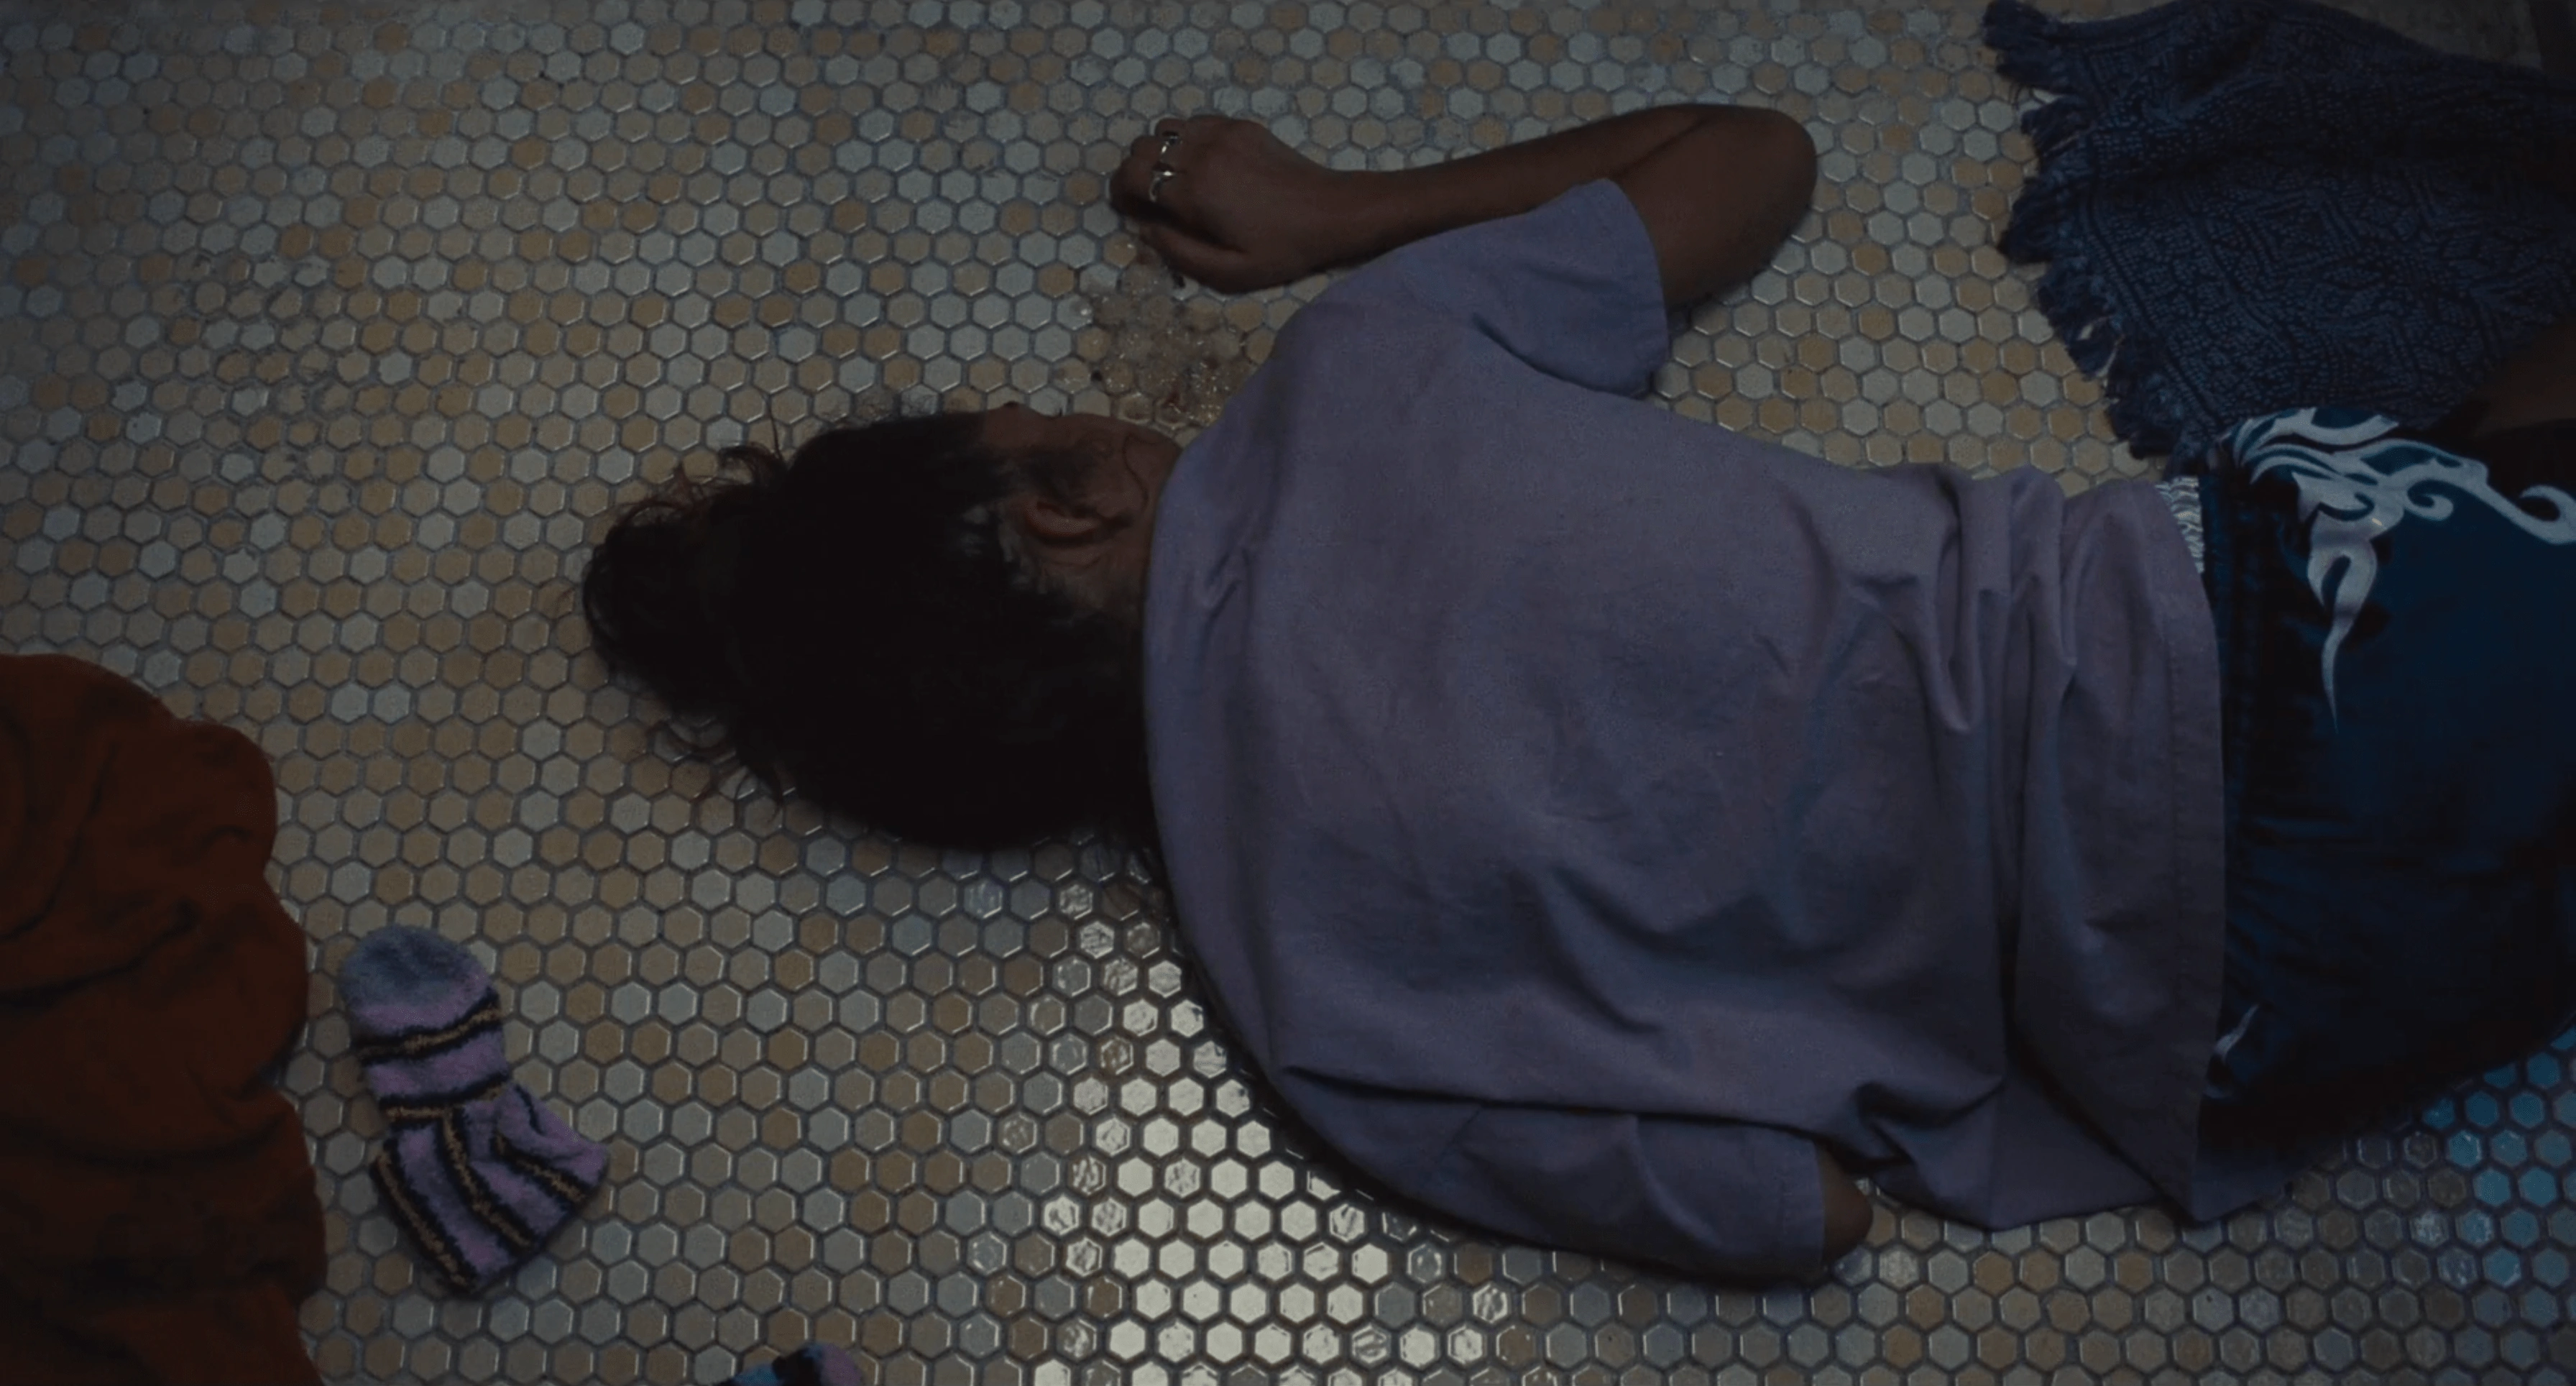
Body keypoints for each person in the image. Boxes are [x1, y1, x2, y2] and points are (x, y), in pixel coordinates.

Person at [580, 105, 2576, 1282]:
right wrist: (1334, 216)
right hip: (2273, 628)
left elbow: (1805, 1213)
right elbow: (1755, 157)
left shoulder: (1308, 1015)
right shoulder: (1358, 383)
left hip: (2256, 997)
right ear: (1073, 495)